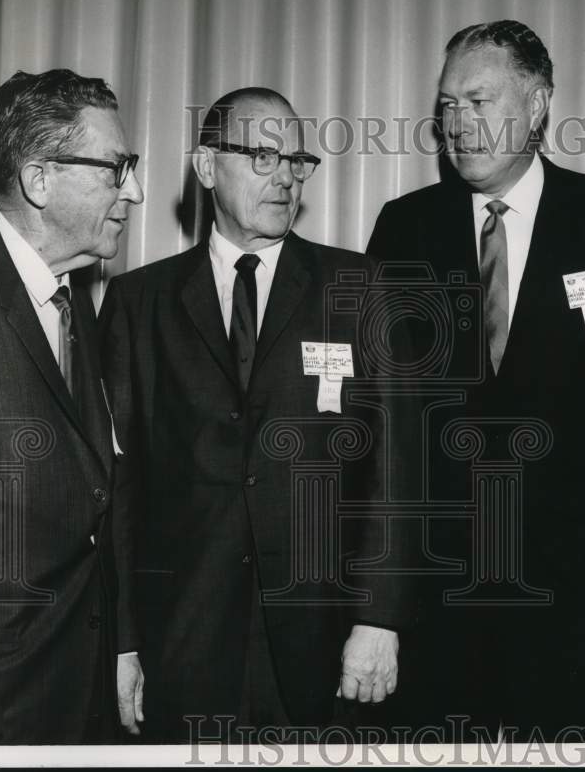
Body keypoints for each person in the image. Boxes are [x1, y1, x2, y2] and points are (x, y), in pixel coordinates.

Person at [366, 20, 585, 741]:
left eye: (479, 100)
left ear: (537, 106)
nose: (458, 124)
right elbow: (379, 420)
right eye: (447, 106)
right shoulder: (405, 227)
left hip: (573, 596)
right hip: (439, 596)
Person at [100, 87, 416, 743]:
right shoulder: (138, 303)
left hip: (324, 639)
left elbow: (399, 469)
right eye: (262, 157)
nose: (285, 178)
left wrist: (379, 619)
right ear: (207, 166)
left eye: (296, 160)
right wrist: (123, 640)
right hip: (182, 637)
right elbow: (119, 489)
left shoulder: (359, 289)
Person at [0, 68, 144, 743]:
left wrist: (118, 646)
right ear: (39, 180)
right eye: (116, 169)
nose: (132, 191)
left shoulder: (70, 294)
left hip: (71, 688)